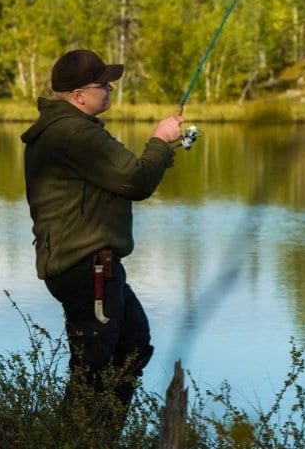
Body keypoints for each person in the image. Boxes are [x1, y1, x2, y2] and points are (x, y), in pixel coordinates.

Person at [21, 49, 183, 423]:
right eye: (103, 84)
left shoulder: (65, 130)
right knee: (93, 370)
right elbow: (136, 180)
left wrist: (159, 155)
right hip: (88, 268)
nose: (110, 89)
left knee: (132, 344)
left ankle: (101, 434)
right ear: (79, 95)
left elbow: (124, 176)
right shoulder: (75, 133)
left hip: (94, 266)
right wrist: (160, 139)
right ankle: (79, 437)